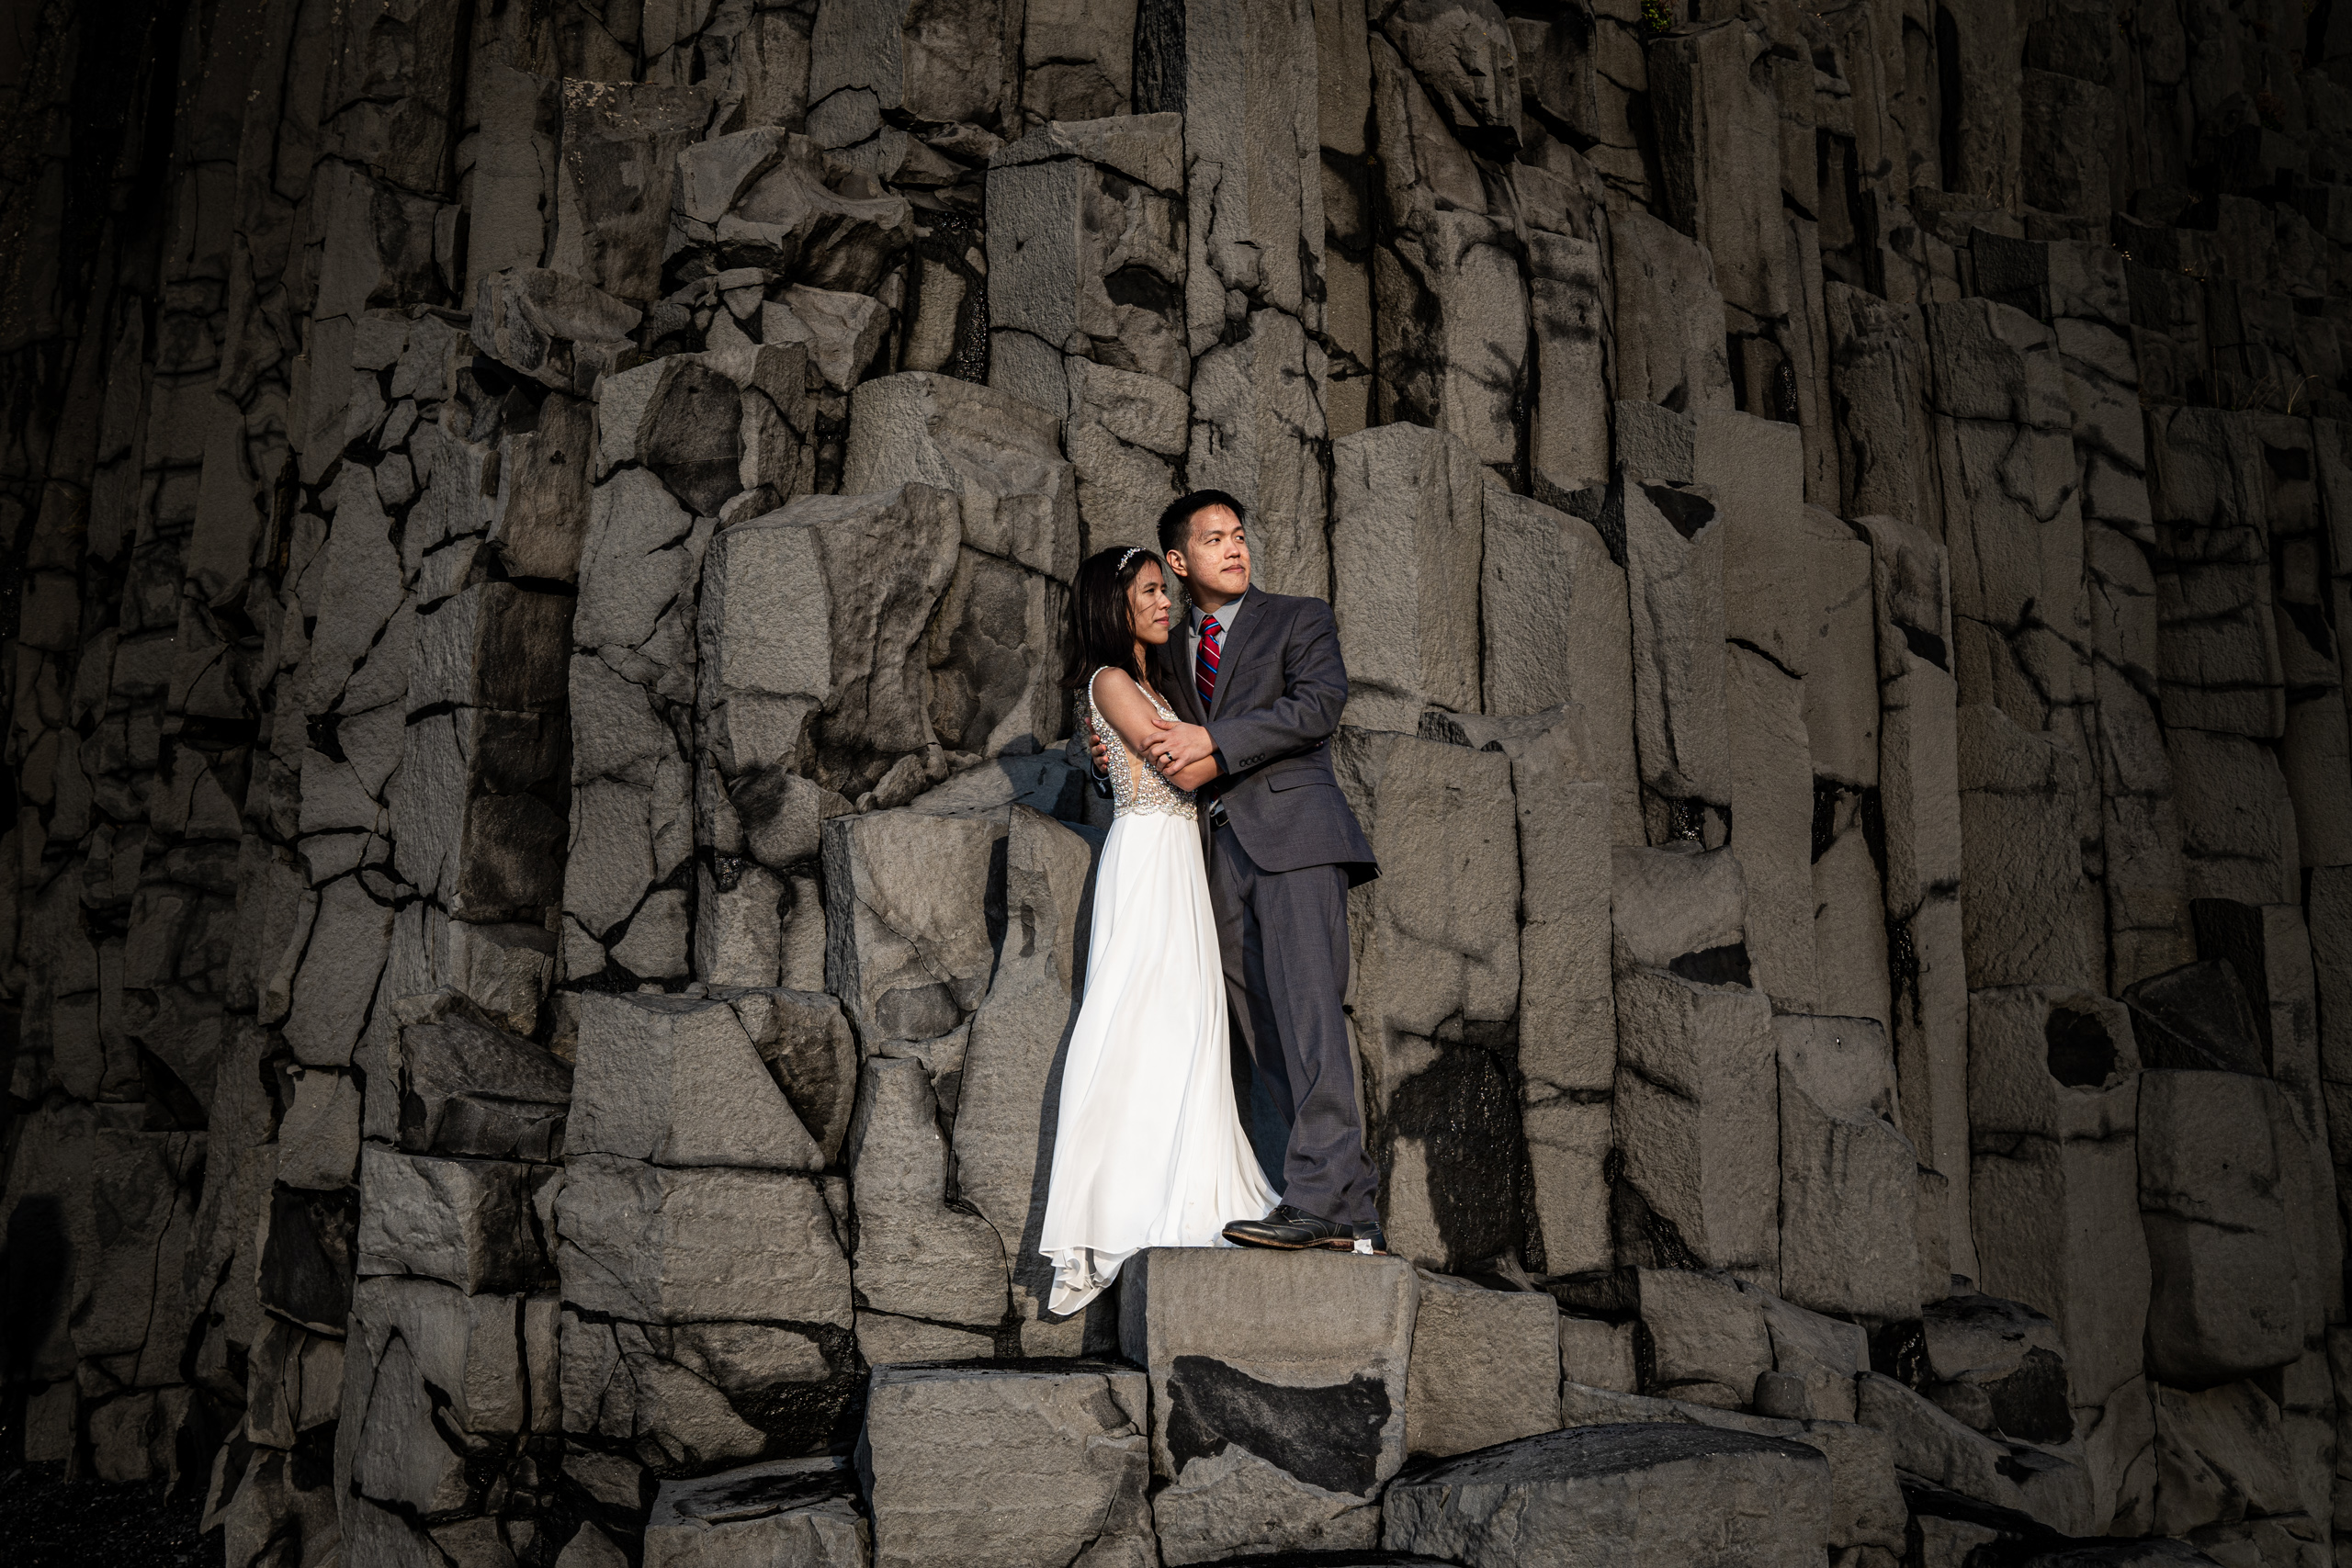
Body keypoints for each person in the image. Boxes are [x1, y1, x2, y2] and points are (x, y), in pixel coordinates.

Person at [1086, 491, 1386, 1256]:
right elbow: (1132, 712)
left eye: (1241, 536)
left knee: (1312, 1018)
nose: (1235, 549)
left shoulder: (1299, 617)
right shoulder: (1170, 639)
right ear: (1180, 562)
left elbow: (1319, 705)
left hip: (1295, 839)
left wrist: (1214, 739)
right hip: (1213, 863)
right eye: (1214, 539)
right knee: (1263, 1036)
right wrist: (1096, 760)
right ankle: (1343, 1210)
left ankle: (1319, 1199)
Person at [1036, 546, 1280, 1314]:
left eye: (1162, 590)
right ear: (1116, 604)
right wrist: (1260, 740)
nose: (1163, 601)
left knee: (1189, 1028)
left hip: (1181, 860)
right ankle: (1117, 1210)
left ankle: (1189, 1194)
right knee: (1138, 1025)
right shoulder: (1111, 681)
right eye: (1149, 590)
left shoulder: (1153, 681)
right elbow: (1175, 767)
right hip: (1145, 857)